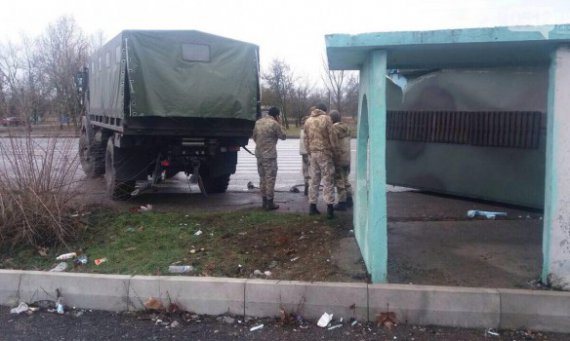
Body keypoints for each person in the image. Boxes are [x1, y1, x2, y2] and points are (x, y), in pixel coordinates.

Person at [303, 103, 336, 219]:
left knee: (314, 180)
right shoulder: (326, 119)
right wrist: (333, 150)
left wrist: (309, 151)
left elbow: (305, 139)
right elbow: (332, 137)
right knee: (328, 180)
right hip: (325, 153)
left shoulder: (308, 121)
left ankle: (312, 206)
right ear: (325, 110)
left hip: (313, 153)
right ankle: (330, 209)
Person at [252, 106, 287, 210]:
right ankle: (270, 202)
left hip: (259, 155)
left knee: (262, 178)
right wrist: (280, 123)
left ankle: (263, 201)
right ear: (276, 116)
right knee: (270, 178)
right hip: (270, 156)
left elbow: (254, 137)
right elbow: (283, 136)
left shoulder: (258, 122)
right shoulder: (274, 124)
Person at [329, 110, 353, 210]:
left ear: (332, 119)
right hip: (347, 158)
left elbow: (333, 144)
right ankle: (349, 199)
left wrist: (333, 156)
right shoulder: (347, 127)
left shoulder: (334, 128)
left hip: (339, 158)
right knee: (346, 179)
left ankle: (342, 203)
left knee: (339, 180)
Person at [299, 113, 312, 196]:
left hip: (305, 154)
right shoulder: (308, 131)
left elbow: (302, 144)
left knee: (306, 172)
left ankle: (307, 187)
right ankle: (309, 189)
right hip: (308, 154)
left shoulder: (303, 131)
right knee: (310, 173)